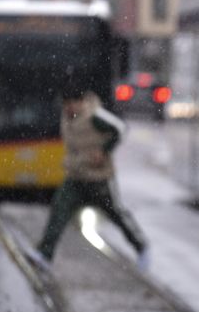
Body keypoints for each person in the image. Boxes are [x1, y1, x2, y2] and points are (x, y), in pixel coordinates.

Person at [31, 82, 149, 271]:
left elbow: (119, 128)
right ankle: (45, 254)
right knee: (59, 210)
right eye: (66, 104)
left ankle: (141, 246)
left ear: (82, 102)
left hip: (98, 178)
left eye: (73, 103)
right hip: (76, 175)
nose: (69, 108)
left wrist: (104, 151)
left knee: (116, 213)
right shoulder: (67, 118)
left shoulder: (95, 116)